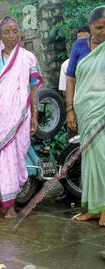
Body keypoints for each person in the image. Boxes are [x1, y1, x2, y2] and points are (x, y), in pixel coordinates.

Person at [0, 16, 43, 219]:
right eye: (6, 32)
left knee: (14, 159)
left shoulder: (28, 58)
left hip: (19, 118)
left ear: (20, 33)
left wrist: (35, 114)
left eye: (15, 31)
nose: (11, 35)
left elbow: (33, 89)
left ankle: (10, 205)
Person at [70, 6, 105, 227]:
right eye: (100, 27)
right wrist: (69, 109)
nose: (103, 31)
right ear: (90, 25)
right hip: (85, 112)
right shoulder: (80, 46)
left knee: (103, 159)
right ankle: (94, 208)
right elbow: (71, 78)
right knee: (91, 161)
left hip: (102, 110)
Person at [57, 23, 90, 203]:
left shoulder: (98, 59)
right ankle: (70, 191)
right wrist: (71, 112)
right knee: (72, 152)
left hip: (95, 112)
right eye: (79, 40)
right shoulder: (67, 64)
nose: (82, 43)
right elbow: (65, 90)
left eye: (86, 39)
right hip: (76, 113)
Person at [58, 24, 90, 94]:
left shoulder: (99, 61)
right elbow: (65, 90)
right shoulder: (66, 65)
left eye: (85, 40)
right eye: (80, 41)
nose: (82, 44)